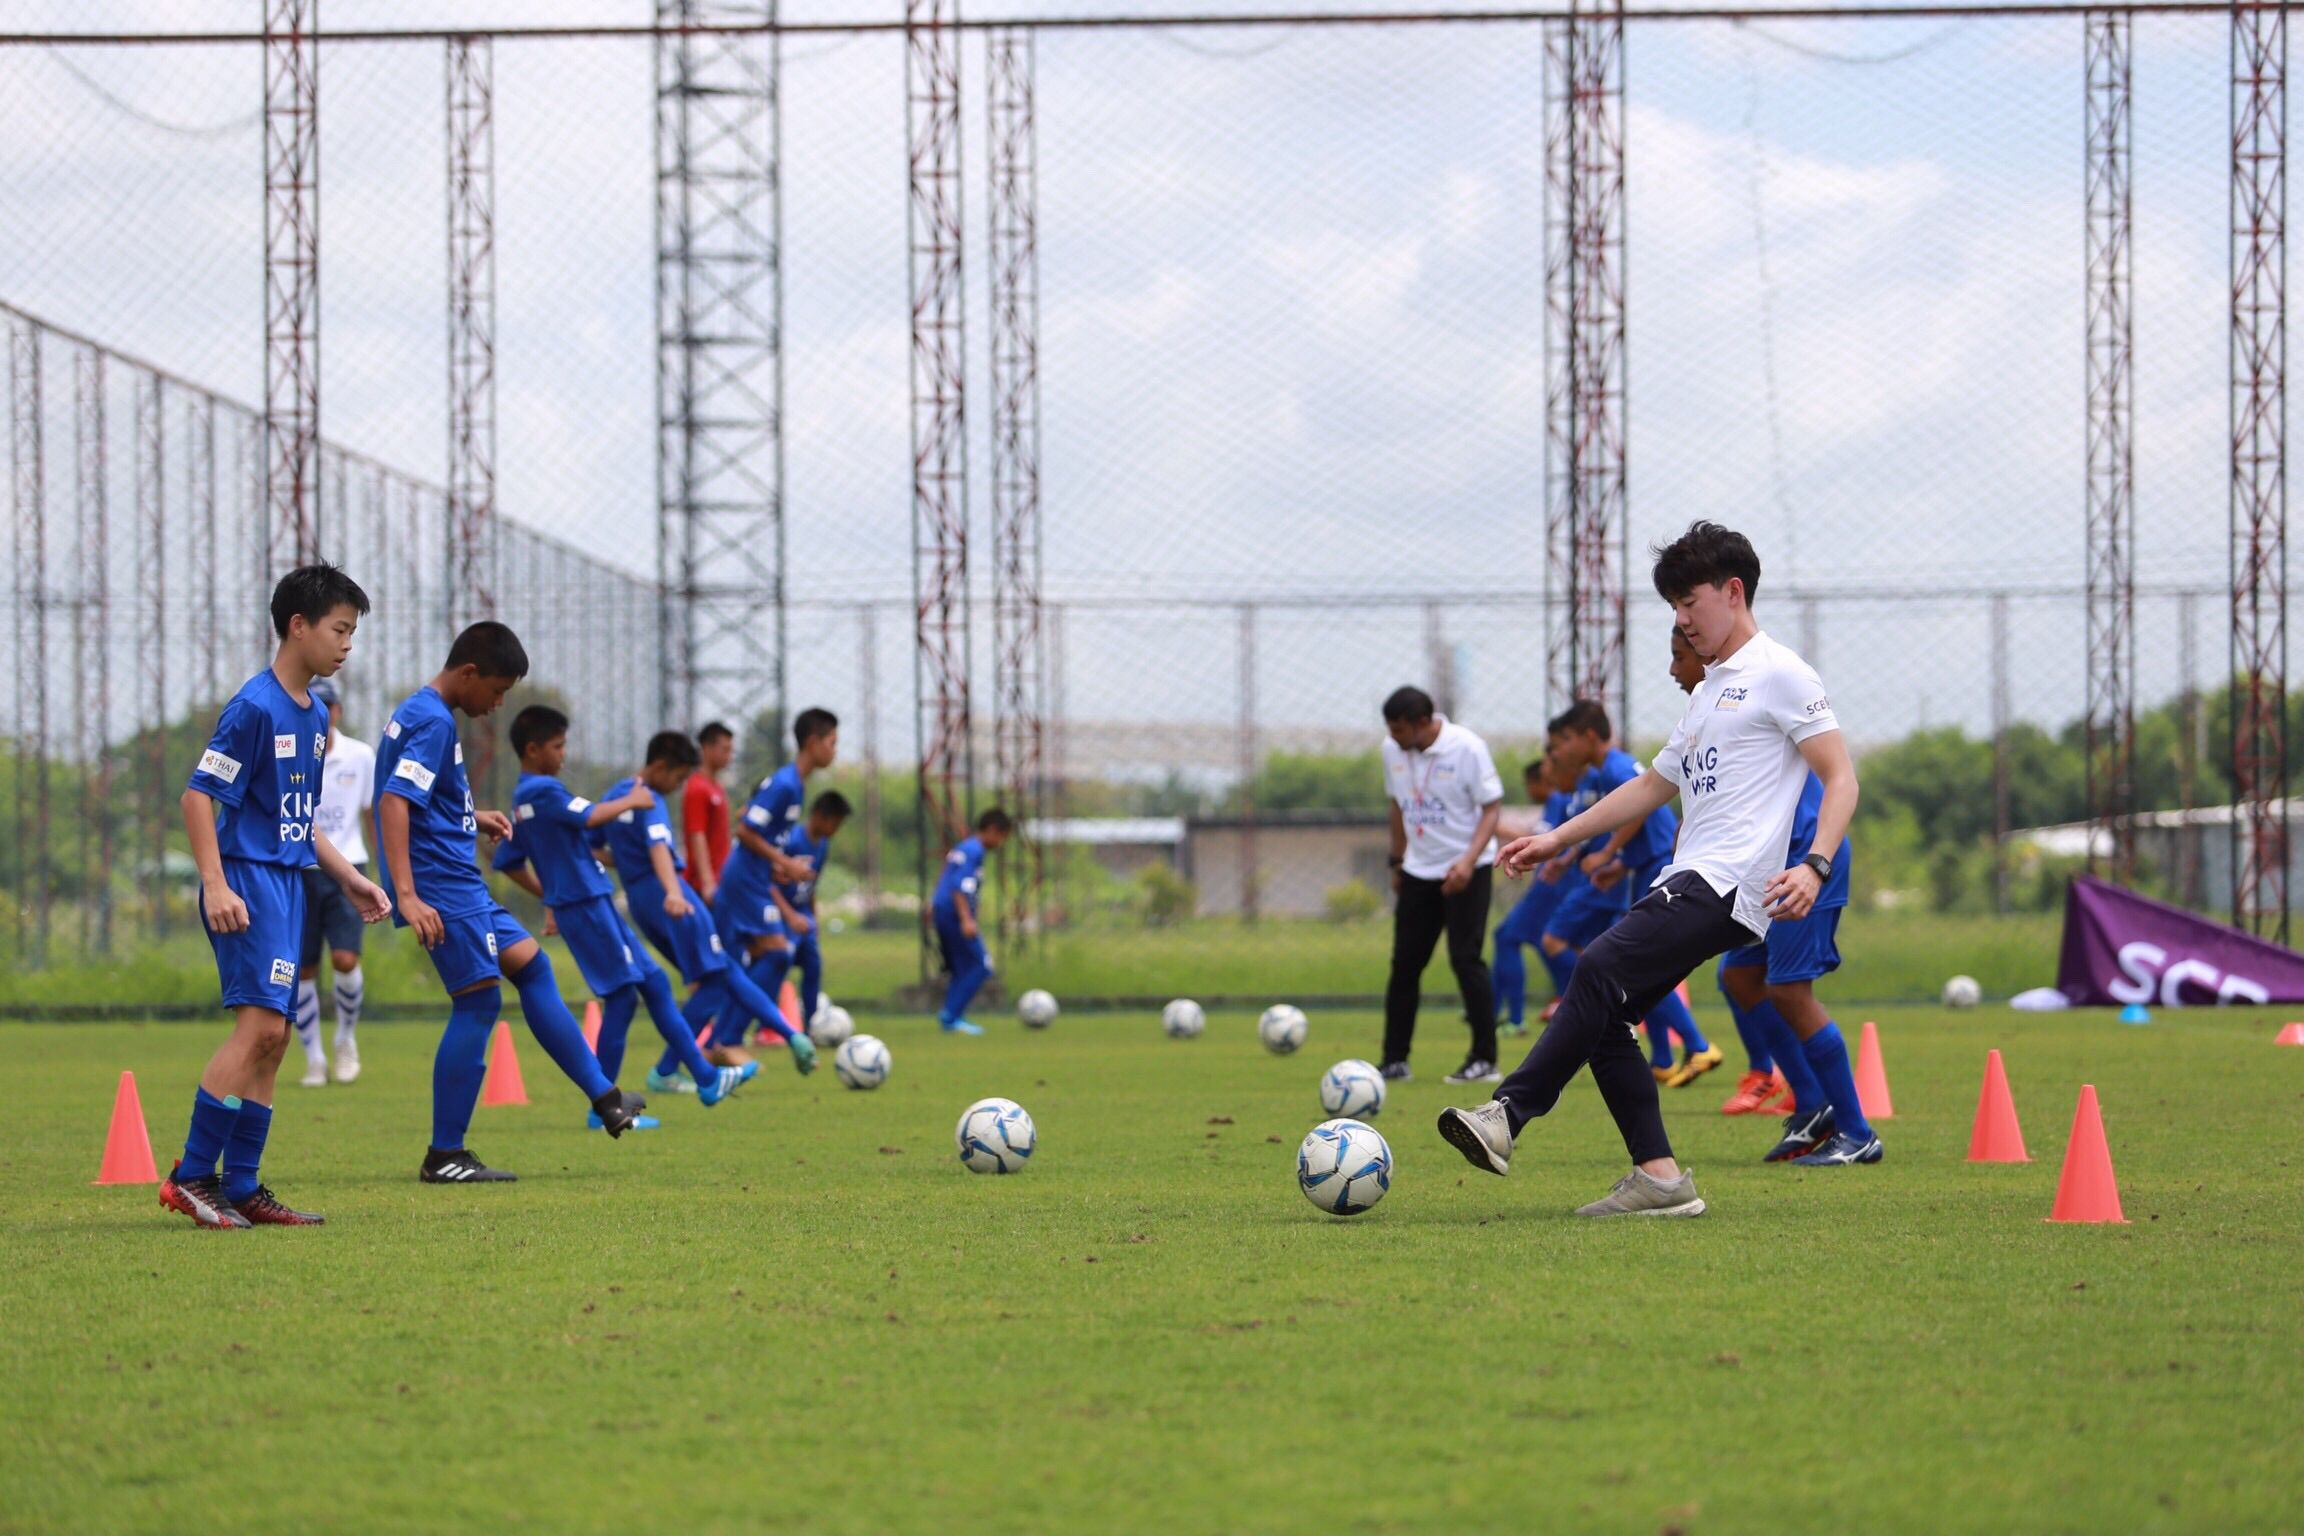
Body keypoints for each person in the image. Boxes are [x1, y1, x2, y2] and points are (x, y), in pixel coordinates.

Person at [1437, 520, 1859, 1214]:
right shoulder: (1705, 694)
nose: (1682, 620)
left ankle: (1507, 1115)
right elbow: (1649, 787)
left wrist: (1813, 866)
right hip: (1688, 876)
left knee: (1597, 968)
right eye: (1673, 608)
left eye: (1689, 603)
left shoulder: (1781, 672)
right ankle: (1660, 1179)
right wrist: (1556, 839)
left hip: (1729, 884)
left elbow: (1840, 776)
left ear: (1732, 591)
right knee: (1603, 1011)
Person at [159, 564, 389, 1229]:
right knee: (258, 1027)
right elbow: (198, 795)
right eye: (340, 629)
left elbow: (299, 818)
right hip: (247, 883)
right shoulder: (254, 707)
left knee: (277, 1037)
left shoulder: (315, 714)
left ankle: (245, 1184)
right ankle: (191, 1177)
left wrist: (349, 875)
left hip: (290, 881)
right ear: (298, 626)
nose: (347, 645)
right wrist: (216, 884)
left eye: (352, 632)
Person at [376, 621, 642, 1185]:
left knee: (534, 966)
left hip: (457, 881)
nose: (498, 705)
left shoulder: (424, 712)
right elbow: (396, 803)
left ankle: (605, 1096)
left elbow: (425, 805)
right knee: (477, 1005)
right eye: (496, 691)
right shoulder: (432, 721)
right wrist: (408, 894)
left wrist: (474, 820)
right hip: (443, 888)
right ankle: (445, 1153)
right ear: (468, 673)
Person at [488, 706, 752, 1127]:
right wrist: (635, 797)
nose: (564, 754)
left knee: (654, 982)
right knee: (623, 997)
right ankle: (608, 1107)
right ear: (533, 749)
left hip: (589, 902)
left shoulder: (524, 801)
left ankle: (704, 1078)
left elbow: (509, 860)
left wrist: (551, 896)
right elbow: (591, 815)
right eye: (558, 746)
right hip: (588, 907)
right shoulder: (545, 791)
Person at [581, 732, 813, 1095]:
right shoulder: (648, 798)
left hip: (643, 900)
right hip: (673, 899)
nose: (677, 786)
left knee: (721, 971)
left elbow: (592, 848)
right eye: (677, 777)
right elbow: (659, 845)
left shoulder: (615, 795)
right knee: (716, 982)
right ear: (660, 767)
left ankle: (789, 1035)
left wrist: (629, 867)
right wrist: (674, 892)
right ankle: (673, 1071)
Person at [1540, 699, 1724, 1088]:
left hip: (1657, 866)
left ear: (1590, 736)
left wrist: (1607, 852)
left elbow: (1639, 811)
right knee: (1641, 969)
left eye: (1567, 739)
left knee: (1641, 967)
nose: (1561, 750)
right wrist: (1620, 865)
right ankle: (1661, 1058)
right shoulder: (1611, 768)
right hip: (1643, 865)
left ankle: (1697, 1043)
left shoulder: (1616, 767)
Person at [1377, 686, 1504, 1086]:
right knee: (1404, 965)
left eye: (1399, 729)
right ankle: (1394, 1060)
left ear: (1422, 723)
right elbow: (1397, 805)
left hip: (1466, 868)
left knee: (1466, 960)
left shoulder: (1467, 748)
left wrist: (1467, 862)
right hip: (1419, 869)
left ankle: (1484, 1058)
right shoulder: (1392, 751)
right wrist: (1398, 861)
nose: (1393, 737)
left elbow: (1491, 808)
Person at [712, 708, 838, 1054]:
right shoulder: (785, 784)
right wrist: (784, 862)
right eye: (832, 742)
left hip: (755, 877)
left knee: (754, 961)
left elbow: (765, 836)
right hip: (744, 882)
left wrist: (779, 867)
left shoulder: (795, 785)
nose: (834, 750)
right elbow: (746, 830)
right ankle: (725, 1039)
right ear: (812, 743)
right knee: (775, 955)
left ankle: (724, 1039)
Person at [292, 676, 377, 1088]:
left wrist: (382, 871)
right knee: (302, 967)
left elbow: (371, 812)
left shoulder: (360, 755)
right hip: (300, 870)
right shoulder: (290, 752)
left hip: (349, 869)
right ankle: (314, 1057)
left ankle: (345, 1040)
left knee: (345, 959)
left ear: (338, 711)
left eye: (327, 708)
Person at [1492, 754, 1582, 1036]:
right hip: (1571, 883)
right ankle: (1565, 1000)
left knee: (1506, 937)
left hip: (1553, 885)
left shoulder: (1558, 799)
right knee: (1548, 942)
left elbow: (1541, 840)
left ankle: (1515, 1016)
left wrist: (1495, 827)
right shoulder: (1573, 797)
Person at [766, 791, 854, 1032]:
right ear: (818, 816)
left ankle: (811, 1025)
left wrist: (813, 916)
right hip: (781, 917)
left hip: (802, 917)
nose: (835, 829)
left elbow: (811, 883)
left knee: (813, 966)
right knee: (776, 966)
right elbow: (769, 883)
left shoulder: (822, 845)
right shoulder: (792, 841)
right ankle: (767, 1026)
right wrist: (790, 916)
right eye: (834, 823)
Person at [932, 808, 1012, 1035]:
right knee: (981, 965)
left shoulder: (965, 847)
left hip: (944, 911)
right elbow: (958, 887)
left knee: (961, 967)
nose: (1002, 842)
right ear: (993, 831)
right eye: (1003, 836)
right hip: (954, 914)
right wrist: (967, 919)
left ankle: (951, 1015)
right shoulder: (975, 850)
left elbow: (946, 876)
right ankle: (951, 1016)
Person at [682, 720, 735, 905]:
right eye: (725, 749)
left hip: (723, 878)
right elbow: (697, 834)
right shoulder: (697, 788)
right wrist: (707, 881)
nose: (730, 756)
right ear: (706, 748)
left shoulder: (717, 787)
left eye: (731, 750)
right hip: (702, 886)